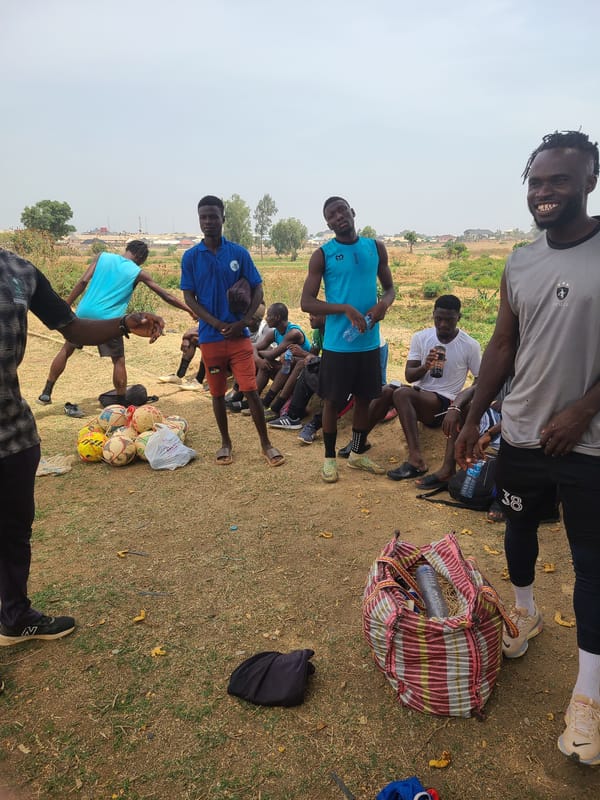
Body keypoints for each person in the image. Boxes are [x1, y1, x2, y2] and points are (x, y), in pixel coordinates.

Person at [455, 130, 600, 765]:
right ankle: (525, 613)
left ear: (589, 180)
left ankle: (589, 701)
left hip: (590, 444)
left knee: (593, 568)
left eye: (558, 181)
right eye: (536, 182)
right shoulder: (520, 260)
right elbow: (503, 345)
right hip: (520, 434)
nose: (543, 193)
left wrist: (584, 410)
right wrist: (472, 408)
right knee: (518, 528)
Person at [0, 246, 164, 650]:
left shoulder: (18, 269)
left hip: (12, 431)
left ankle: (14, 616)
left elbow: (72, 327)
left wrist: (125, 322)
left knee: (13, 532)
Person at [180, 195, 284, 467]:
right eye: (203, 217)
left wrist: (245, 321)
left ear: (223, 218)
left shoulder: (238, 253)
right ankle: (225, 443)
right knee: (216, 394)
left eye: (213, 216)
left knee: (251, 391)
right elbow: (189, 297)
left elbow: (258, 288)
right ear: (199, 220)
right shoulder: (191, 257)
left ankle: (266, 444)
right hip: (211, 339)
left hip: (239, 338)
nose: (208, 221)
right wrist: (213, 323)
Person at [300, 196, 395, 482]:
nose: (338, 216)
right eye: (332, 214)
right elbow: (306, 302)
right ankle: (330, 459)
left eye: (342, 210)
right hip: (338, 345)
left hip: (368, 342)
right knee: (332, 401)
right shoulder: (323, 255)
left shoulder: (375, 247)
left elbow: (390, 289)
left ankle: (356, 453)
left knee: (364, 399)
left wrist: (382, 305)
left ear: (352, 212)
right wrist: (342, 308)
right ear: (327, 223)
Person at [38, 241, 194, 410]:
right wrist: (189, 310)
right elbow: (167, 295)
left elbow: (83, 281)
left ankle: (46, 392)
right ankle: (121, 402)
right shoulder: (138, 272)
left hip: (83, 314)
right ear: (141, 259)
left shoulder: (102, 257)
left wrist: (66, 305)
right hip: (109, 321)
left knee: (66, 349)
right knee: (118, 360)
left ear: (127, 250)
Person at [386, 295, 480, 481]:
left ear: (459, 317)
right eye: (439, 319)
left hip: (446, 402)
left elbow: (479, 381)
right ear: (433, 316)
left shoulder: (470, 345)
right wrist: (425, 366)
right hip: (423, 398)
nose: (443, 324)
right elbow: (410, 376)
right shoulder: (421, 337)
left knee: (402, 393)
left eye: (449, 319)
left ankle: (416, 460)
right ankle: (357, 446)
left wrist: (460, 402)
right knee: (387, 391)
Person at [252, 302, 311, 419]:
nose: (266, 318)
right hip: (287, 371)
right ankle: (254, 402)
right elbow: (253, 347)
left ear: (277, 317)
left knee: (286, 360)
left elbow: (272, 354)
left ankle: (268, 402)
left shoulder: (293, 333)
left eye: (268, 315)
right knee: (266, 364)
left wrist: (259, 354)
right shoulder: (274, 332)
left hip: (299, 373)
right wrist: (259, 360)